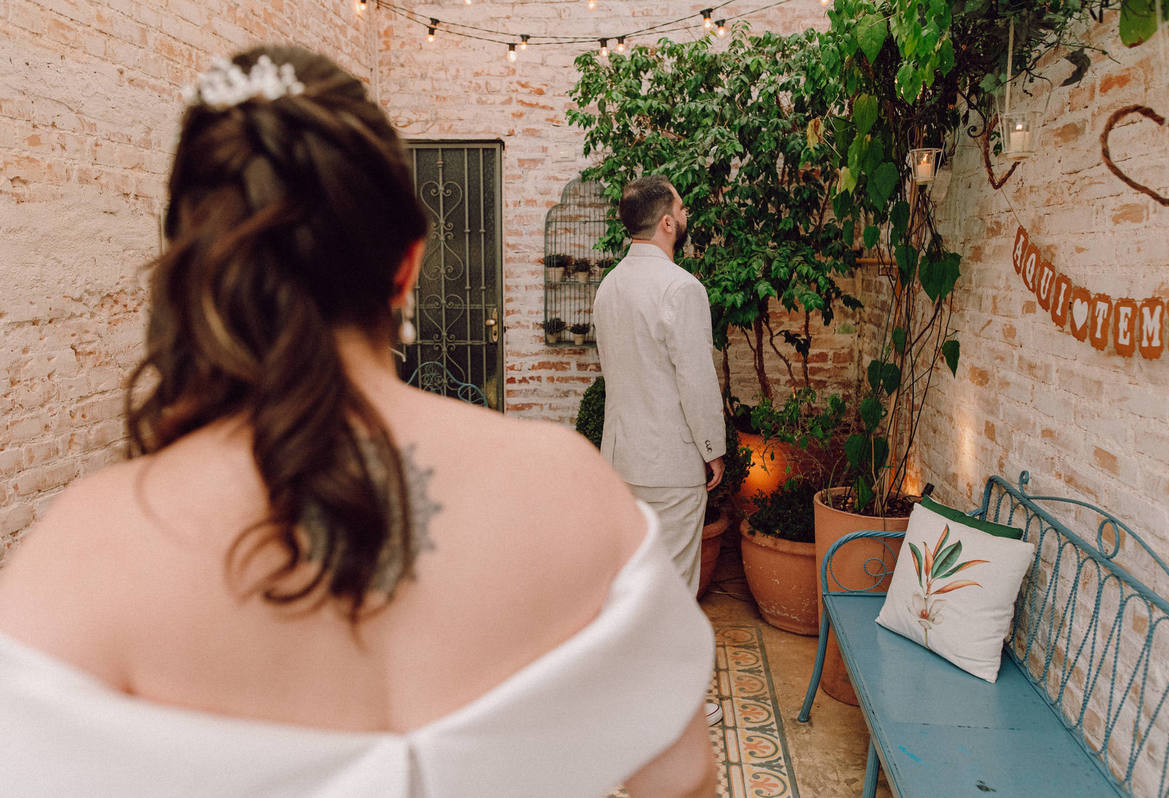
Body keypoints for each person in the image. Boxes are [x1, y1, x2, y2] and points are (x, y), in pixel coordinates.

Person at [0, 46, 717, 798]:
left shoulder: (86, 549)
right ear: (407, 266)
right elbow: (683, 779)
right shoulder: (570, 488)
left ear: (195, 264)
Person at [592, 176, 726, 727]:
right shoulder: (682, 288)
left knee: (633, 584)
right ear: (667, 222)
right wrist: (713, 448)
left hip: (621, 458)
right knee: (672, 588)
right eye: (682, 207)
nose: (686, 214)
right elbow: (696, 379)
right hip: (669, 461)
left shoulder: (608, 287)